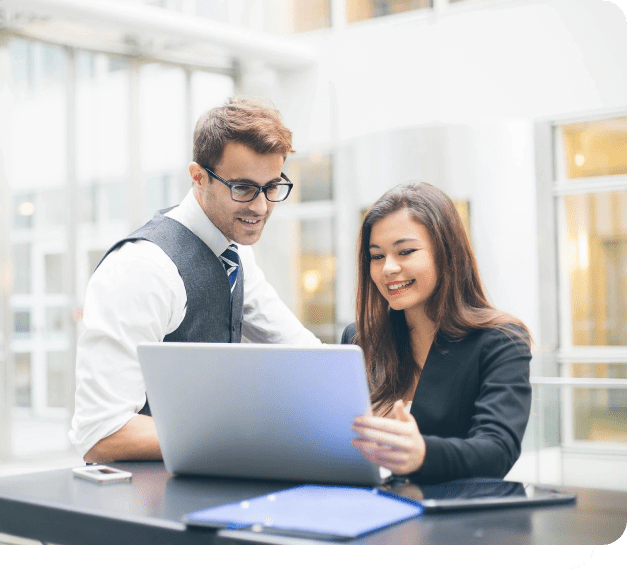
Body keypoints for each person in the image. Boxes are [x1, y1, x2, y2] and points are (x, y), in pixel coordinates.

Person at [70, 97, 321, 464]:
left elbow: (301, 351)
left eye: (272, 187)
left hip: (203, 483)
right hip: (142, 500)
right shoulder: (143, 268)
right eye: (244, 188)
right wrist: (247, 433)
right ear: (198, 177)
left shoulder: (235, 255)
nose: (262, 207)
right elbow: (101, 433)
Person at [344, 182, 532, 484]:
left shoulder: (501, 340)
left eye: (405, 251)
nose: (388, 268)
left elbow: (498, 450)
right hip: (370, 509)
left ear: (446, 254)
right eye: (376, 256)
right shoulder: (359, 339)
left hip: (452, 522)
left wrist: (423, 455)